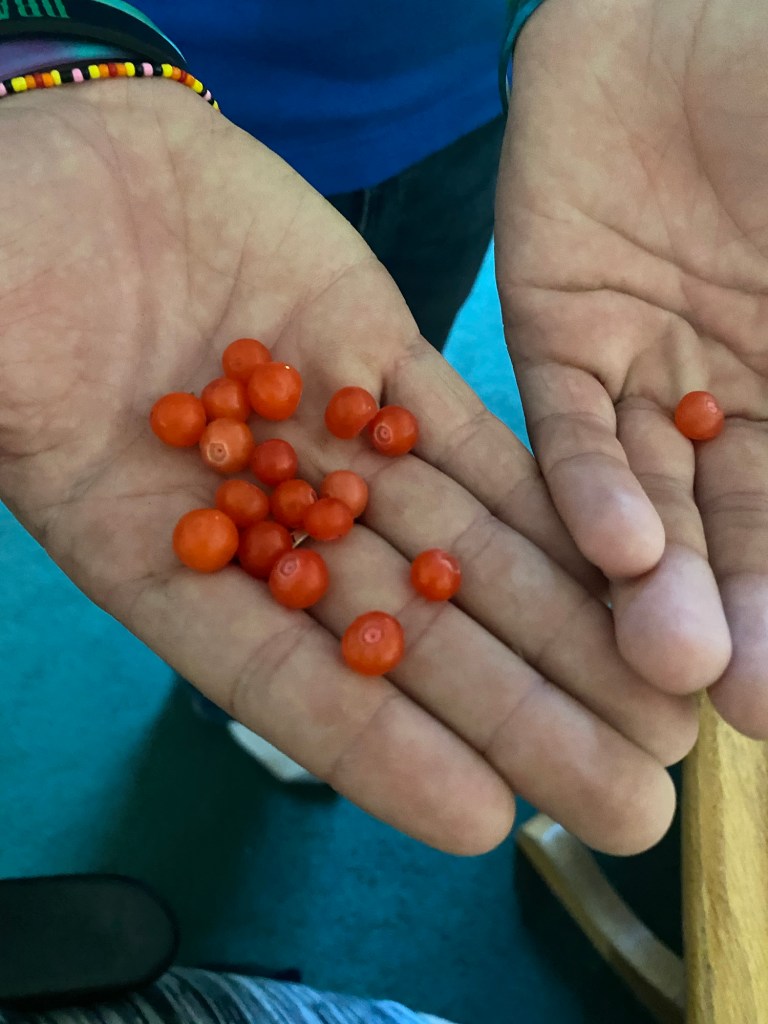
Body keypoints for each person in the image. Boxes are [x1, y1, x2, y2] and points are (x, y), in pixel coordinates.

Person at [0, 0, 766, 1015]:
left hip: (460, 89)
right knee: (325, 427)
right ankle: (224, 701)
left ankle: (240, 698)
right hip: (124, 95)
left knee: (395, 336)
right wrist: (29, 49)